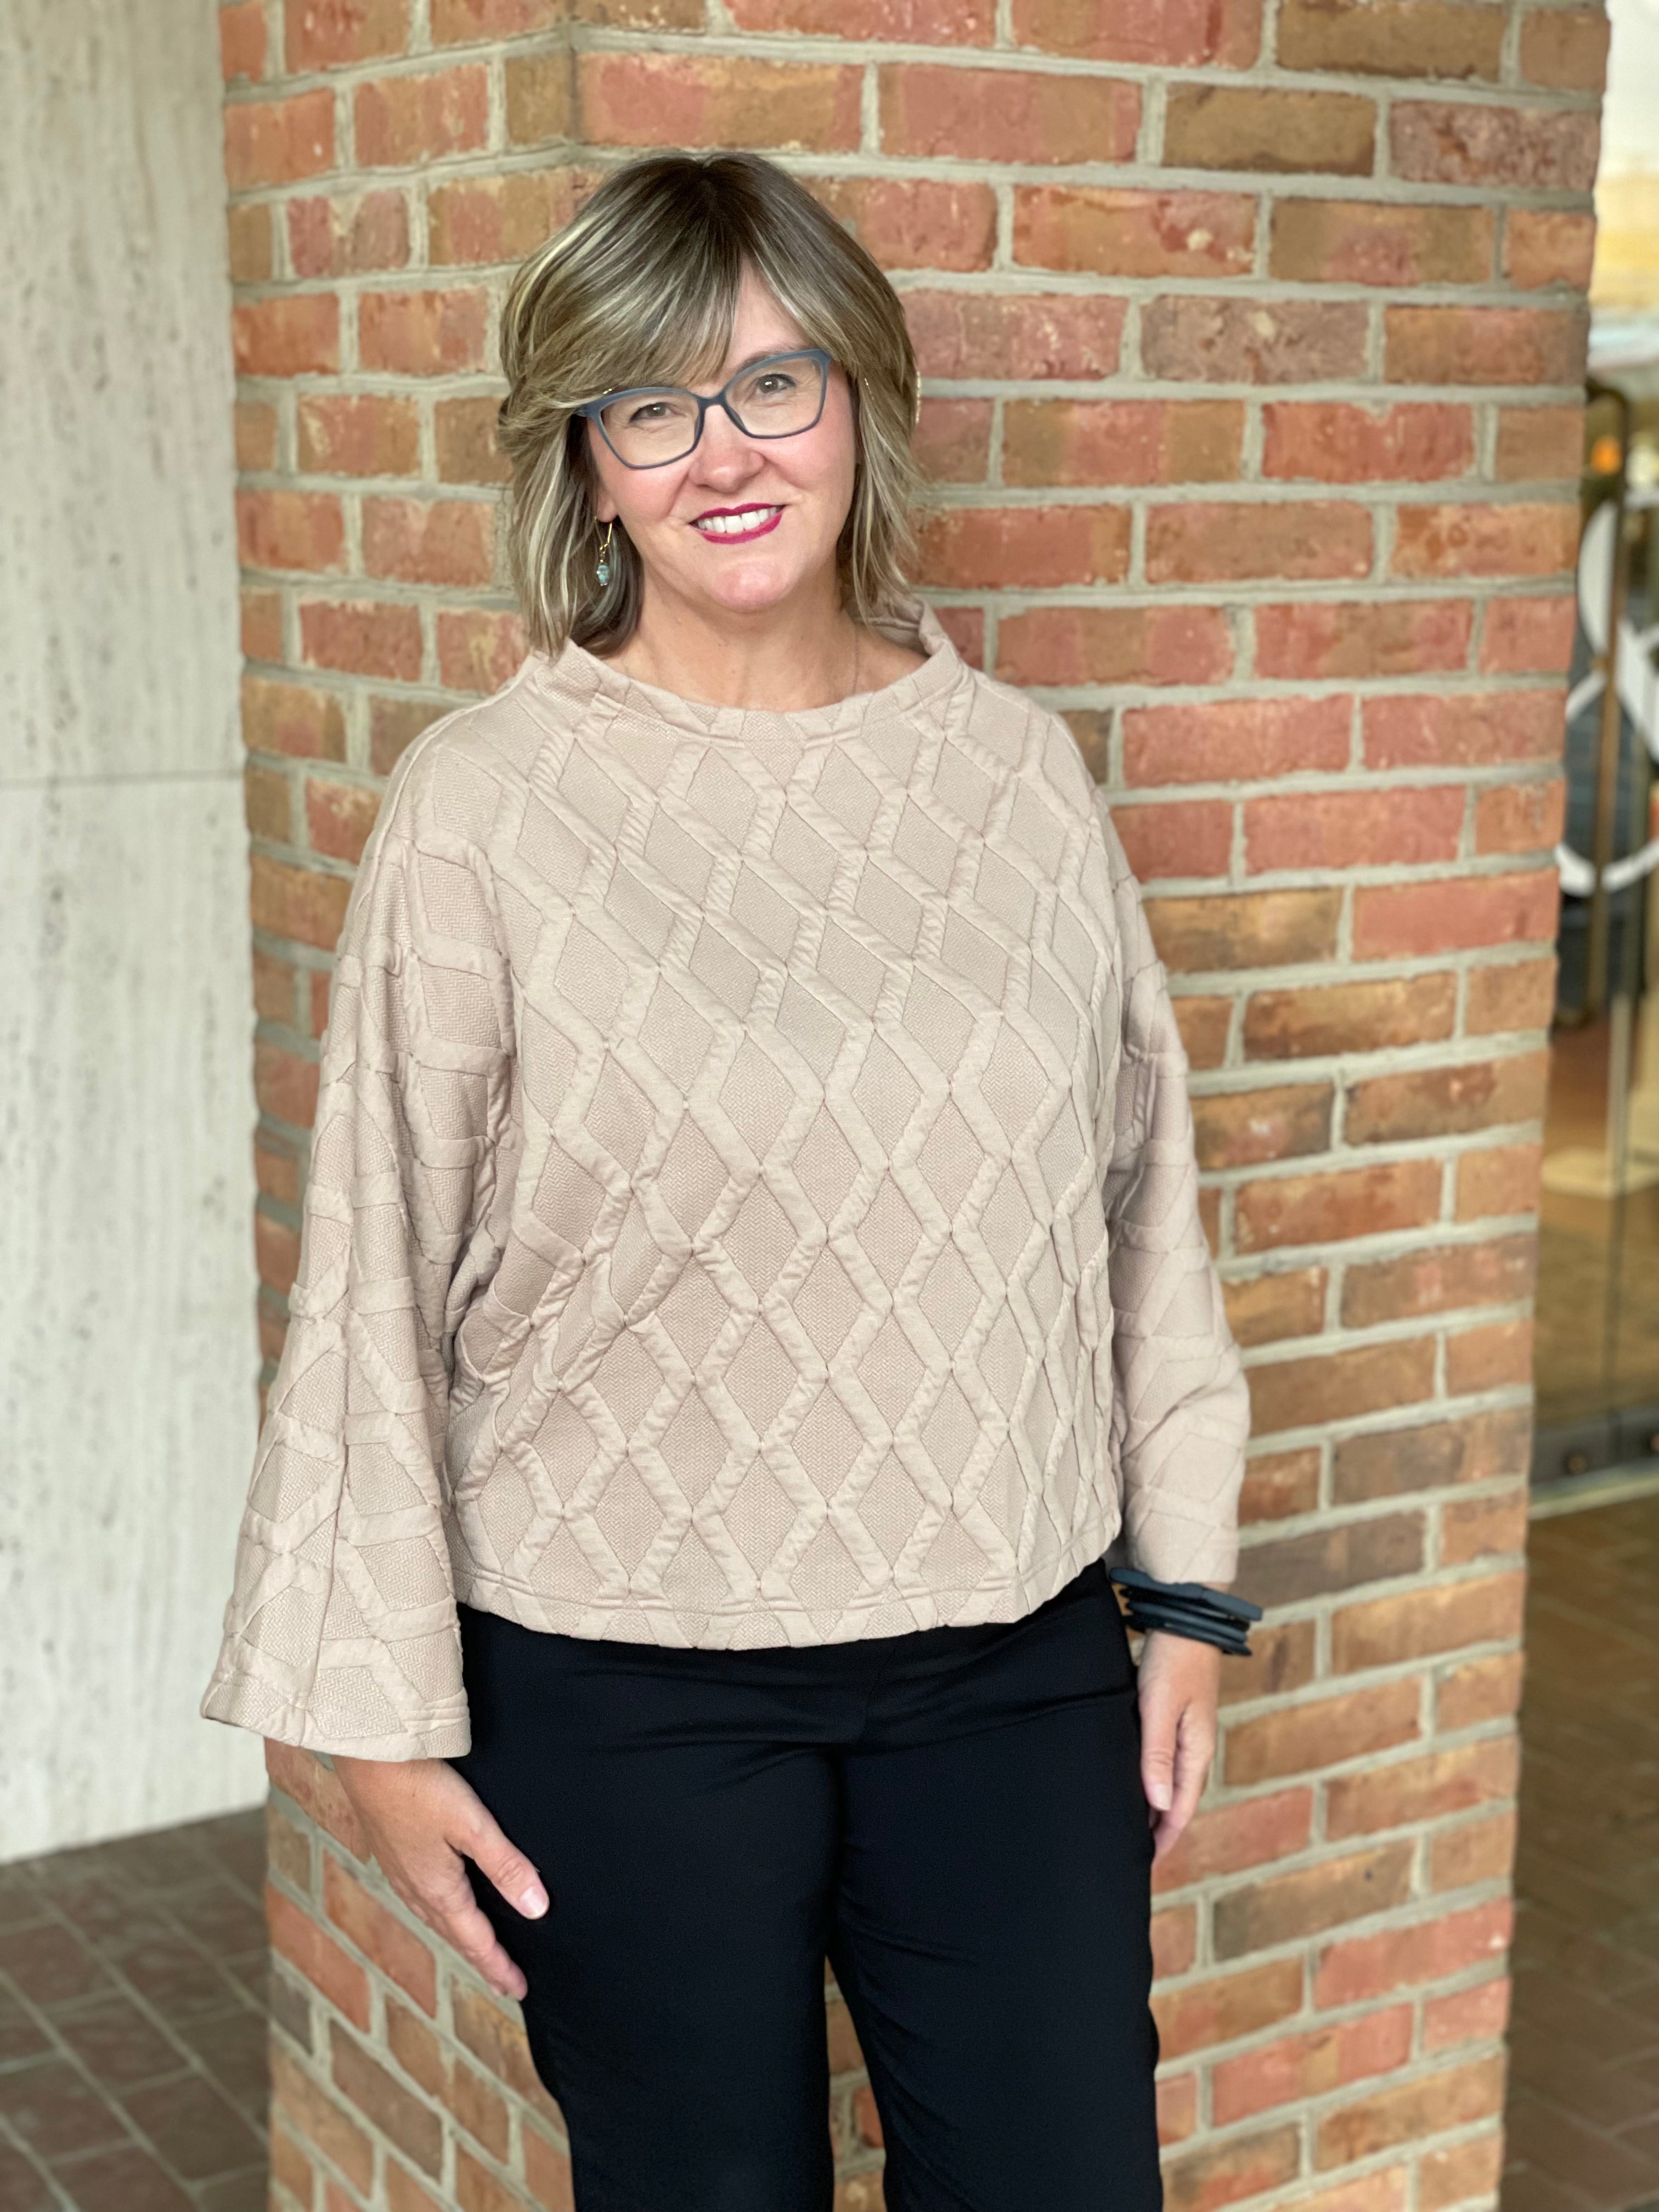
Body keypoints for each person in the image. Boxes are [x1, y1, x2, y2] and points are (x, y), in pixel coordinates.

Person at [202, 147, 1252, 2211]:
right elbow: (373, 1282)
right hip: (621, 1688)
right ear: (588, 468)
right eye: (652, 406)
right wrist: (373, 1726)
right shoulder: (484, 809)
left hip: (1013, 1657)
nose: (725, 452)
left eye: (774, 382)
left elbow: (1144, 1210)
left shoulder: (1016, 777)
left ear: (860, 399)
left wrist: (1190, 1593)